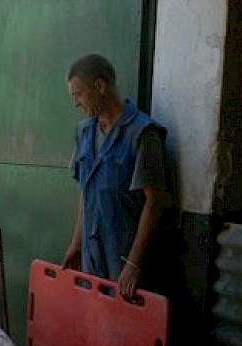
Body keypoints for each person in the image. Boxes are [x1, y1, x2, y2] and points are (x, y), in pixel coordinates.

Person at [62, 54, 168, 298]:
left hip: (123, 259)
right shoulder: (84, 132)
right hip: (92, 257)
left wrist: (133, 264)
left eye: (78, 94)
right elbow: (85, 192)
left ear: (100, 86)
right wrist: (77, 243)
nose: (76, 103)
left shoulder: (142, 134)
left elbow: (155, 202)